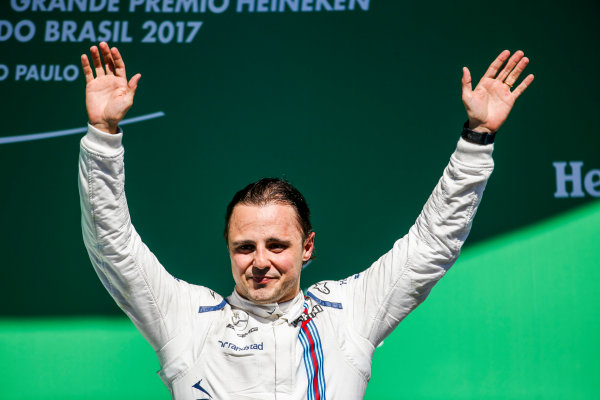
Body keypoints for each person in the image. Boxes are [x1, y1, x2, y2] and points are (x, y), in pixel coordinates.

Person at [78, 42, 533, 400]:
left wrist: (477, 139)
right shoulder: (187, 320)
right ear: (228, 248)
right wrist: (103, 136)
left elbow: (433, 243)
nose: (260, 261)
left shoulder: (346, 315)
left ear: (308, 247)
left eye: (277, 245)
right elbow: (111, 244)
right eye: (245, 246)